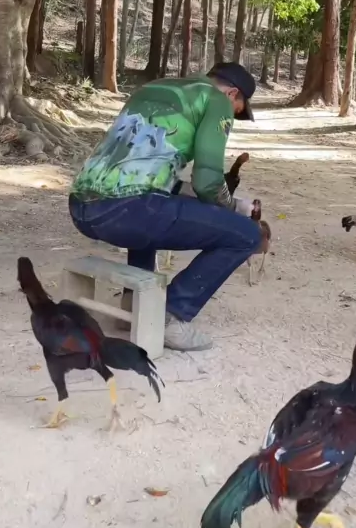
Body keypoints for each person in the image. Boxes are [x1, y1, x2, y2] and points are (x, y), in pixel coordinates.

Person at [69, 62, 262, 352]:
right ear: (232, 93)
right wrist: (234, 206)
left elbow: (147, 175)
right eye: (237, 110)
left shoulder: (154, 87)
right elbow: (208, 182)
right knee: (247, 235)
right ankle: (170, 315)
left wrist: (214, 201)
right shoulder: (216, 99)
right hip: (129, 210)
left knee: (155, 204)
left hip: (82, 207)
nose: (233, 116)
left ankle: (133, 302)